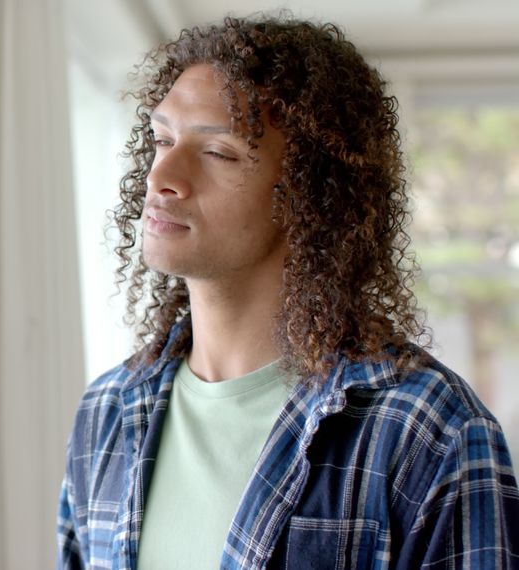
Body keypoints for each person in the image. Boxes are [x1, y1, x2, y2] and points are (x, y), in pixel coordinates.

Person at [57, 15, 519, 569]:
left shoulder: (429, 429)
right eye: (161, 140)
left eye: (219, 152)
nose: (162, 176)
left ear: (309, 197)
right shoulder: (107, 413)